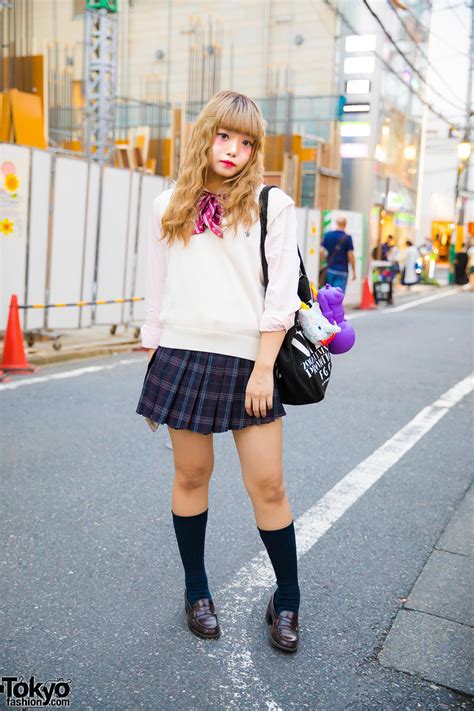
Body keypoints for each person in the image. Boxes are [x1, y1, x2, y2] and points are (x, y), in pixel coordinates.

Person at [136, 91, 301, 653]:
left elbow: (280, 297)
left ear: (255, 149)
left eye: (245, 141)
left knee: (268, 483)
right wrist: (156, 356)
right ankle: (197, 592)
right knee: (190, 476)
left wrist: (263, 369)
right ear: (204, 135)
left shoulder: (270, 205)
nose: (232, 150)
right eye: (223, 136)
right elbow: (156, 290)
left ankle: (288, 599)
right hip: (182, 355)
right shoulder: (166, 206)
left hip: (249, 360)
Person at [321, 217, 356, 294]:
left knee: (329, 294)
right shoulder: (347, 238)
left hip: (330, 269)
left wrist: (326, 260)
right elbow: (350, 256)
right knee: (338, 296)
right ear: (345, 224)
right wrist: (354, 271)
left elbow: (321, 251)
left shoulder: (328, 235)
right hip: (342, 271)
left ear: (336, 223)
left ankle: (328, 306)